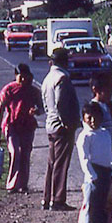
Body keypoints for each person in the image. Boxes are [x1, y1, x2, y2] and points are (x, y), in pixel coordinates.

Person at [40, 47, 80, 211]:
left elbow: (46, 103)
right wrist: (67, 122)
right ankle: (57, 200)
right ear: (65, 61)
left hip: (51, 124)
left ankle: (47, 197)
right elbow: (61, 103)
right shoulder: (62, 78)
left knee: (52, 163)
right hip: (61, 126)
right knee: (61, 164)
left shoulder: (48, 78)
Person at [0, 63, 44, 194]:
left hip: (28, 126)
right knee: (15, 152)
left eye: (25, 77)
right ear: (16, 76)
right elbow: (0, 107)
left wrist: (36, 111)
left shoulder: (34, 91)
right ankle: (12, 184)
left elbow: (42, 108)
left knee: (25, 154)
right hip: (12, 126)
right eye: (20, 77)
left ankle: (23, 184)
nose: (23, 80)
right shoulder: (9, 89)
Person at [74, 102, 112, 223]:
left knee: (103, 212)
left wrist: (111, 171)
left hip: (106, 174)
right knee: (91, 212)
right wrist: (92, 176)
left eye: (95, 117)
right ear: (84, 119)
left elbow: (108, 154)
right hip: (93, 177)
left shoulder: (104, 133)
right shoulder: (85, 136)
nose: (92, 121)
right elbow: (84, 159)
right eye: (89, 118)